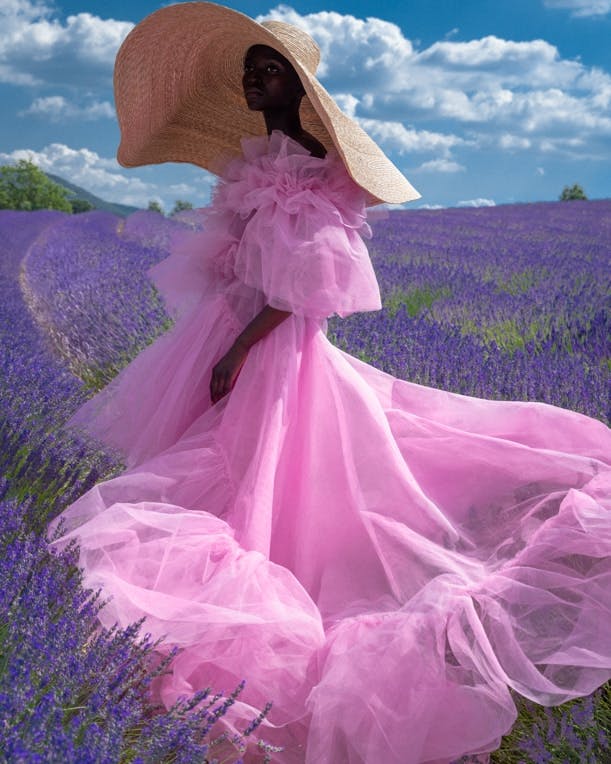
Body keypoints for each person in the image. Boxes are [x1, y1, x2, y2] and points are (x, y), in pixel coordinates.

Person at [48, 3, 611, 763]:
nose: (255, 80)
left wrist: (236, 352)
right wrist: (223, 330)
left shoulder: (315, 175)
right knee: (226, 466)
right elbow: (240, 269)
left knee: (267, 471)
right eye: (250, 70)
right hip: (231, 336)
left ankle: (262, 619)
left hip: (273, 352)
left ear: (301, 90)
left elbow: (303, 292)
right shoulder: (254, 164)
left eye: (269, 69)